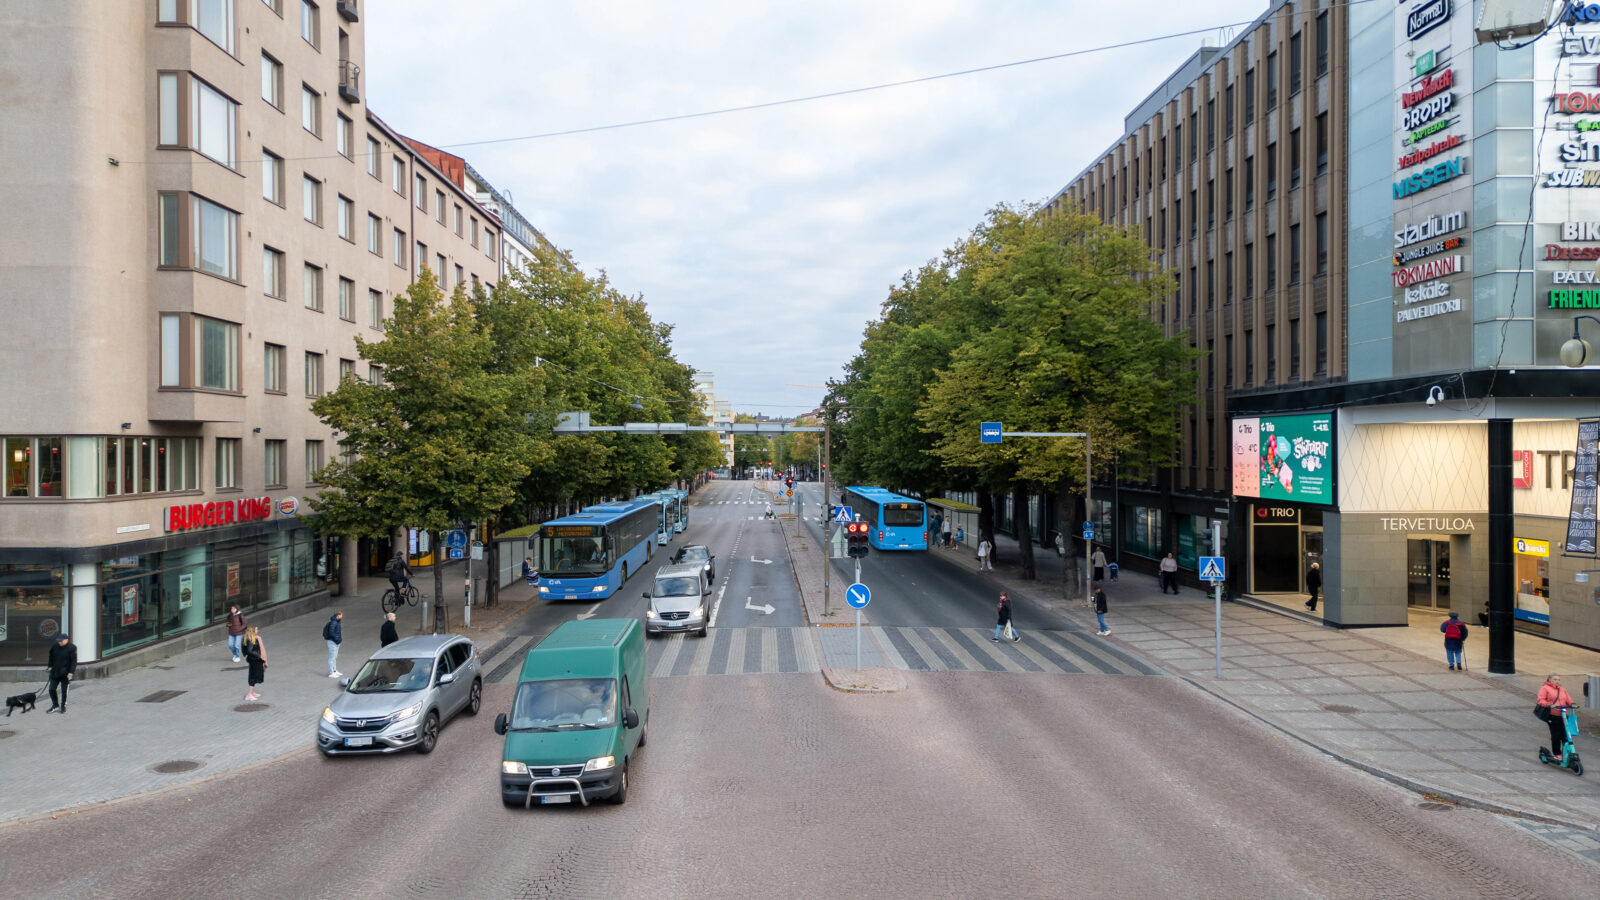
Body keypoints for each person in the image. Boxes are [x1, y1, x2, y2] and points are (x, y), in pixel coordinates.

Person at [1535, 674, 1576, 762]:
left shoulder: (1562, 689)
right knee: (1556, 735)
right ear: (1550, 679)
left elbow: (1568, 699)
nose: (1557, 681)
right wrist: (1548, 704)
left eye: (1559, 679)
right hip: (1553, 715)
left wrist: (1572, 704)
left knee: (1565, 735)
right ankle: (1557, 753)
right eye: (1555, 679)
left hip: (1564, 715)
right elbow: (1540, 700)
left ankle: (1566, 752)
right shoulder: (1545, 688)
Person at [45, 633, 76, 714]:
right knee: (51, 689)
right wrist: (50, 666)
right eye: (58, 641)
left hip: (65, 673)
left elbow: (73, 661)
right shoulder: (55, 646)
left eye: (61, 641)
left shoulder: (72, 648)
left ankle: (63, 706)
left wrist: (71, 672)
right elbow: (50, 656)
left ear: (66, 640)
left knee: (64, 691)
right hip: (55, 672)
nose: (59, 642)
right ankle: (55, 705)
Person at [242, 626, 267, 702]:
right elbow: (249, 651)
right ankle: (249, 694)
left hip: (255, 660)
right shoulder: (250, 639)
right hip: (254, 660)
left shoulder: (254, 638)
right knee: (253, 676)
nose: (257, 630)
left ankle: (252, 692)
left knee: (255, 675)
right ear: (252, 631)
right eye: (256, 629)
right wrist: (258, 655)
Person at [323, 610, 344, 678]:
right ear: (337, 616)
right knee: (332, 657)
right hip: (333, 642)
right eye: (341, 615)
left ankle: (334, 670)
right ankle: (331, 672)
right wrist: (337, 639)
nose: (342, 617)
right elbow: (331, 632)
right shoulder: (333, 623)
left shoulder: (337, 622)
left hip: (336, 642)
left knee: (334, 657)